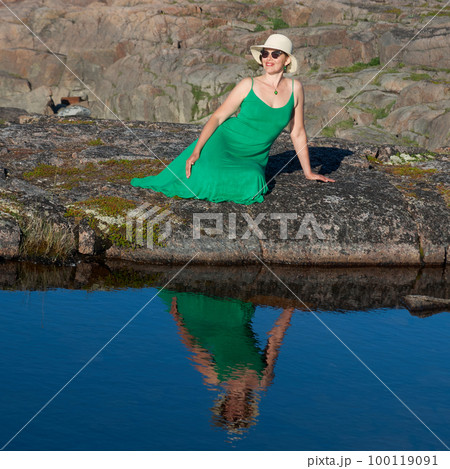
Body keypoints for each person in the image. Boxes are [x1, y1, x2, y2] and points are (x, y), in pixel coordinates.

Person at [131, 34, 335, 205]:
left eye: (275, 54)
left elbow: (297, 132)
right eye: (265, 54)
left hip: (253, 156)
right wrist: (196, 151)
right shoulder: (249, 84)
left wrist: (308, 172)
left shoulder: (295, 89)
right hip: (225, 141)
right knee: (207, 175)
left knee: (253, 182)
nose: (268, 58)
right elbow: (218, 117)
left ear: (287, 59)